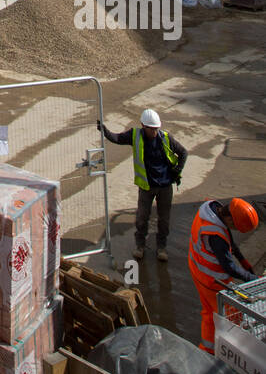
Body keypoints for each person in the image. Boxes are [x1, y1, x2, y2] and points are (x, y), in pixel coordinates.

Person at [98, 109, 188, 262]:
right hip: (146, 187)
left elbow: (183, 152)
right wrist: (105, 131)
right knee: (142, 218)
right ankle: (140, 246)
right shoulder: (135, 135)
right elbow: (117, 138)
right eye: (151, 129)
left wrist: (176, 171)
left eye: (156, 129)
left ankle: (161, 248)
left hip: (165, 187)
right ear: (143, 126)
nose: (154, 131)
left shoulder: (165, 138)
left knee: (164, 219)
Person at [188, 198, 259, 353]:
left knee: (208, 312)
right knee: (233, 317)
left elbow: (230, 240)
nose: (233, 229)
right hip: (212, 280)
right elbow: (230, 268)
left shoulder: (211, 208)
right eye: (235, 226)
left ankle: (206, 349)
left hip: (197, 269)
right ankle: (231, 351)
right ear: (229, 218)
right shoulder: (215, 235)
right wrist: (254, 280)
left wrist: (244, 261)